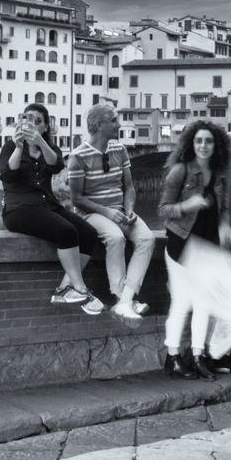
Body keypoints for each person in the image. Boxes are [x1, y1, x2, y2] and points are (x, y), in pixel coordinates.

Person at [159, 119, 231, 377]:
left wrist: (224, 226)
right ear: (191, 143)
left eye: (208, 140)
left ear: (217, 145)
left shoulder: (220, 174)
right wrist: (187, 206)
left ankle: (198, 355)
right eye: (199, 140)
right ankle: (173, 356)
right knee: (181, 302)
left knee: (203, 303)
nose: (203, 145)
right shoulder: (180, 171)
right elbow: (163, 209)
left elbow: (222, 210)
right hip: (181, 243)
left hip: (207, 246)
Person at [0, 103, 109, 313]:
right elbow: (7, 175)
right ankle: (80, 288)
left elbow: (56, 164)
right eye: (27, 117)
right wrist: (20, 148)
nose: (30, 123)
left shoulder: (49, 147)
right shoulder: (11, 147)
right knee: (66, 232)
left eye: (37, 120)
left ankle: (67, 288)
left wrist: (39, 143)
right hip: (19, 209)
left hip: (47, 205)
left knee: (88, 233)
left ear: (45, 126)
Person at [60, 103, 154, 321]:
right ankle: (121, 295)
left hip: (120, 211)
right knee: (115, 237)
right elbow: (76, 199)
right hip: (90, 215)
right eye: (113, 120)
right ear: (98, 125)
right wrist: (107, 212)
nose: (118, 124)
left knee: (147, 239)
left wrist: (129, 209)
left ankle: (126, 300)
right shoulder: (78, 156)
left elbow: (128, 187)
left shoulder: (119, 150)